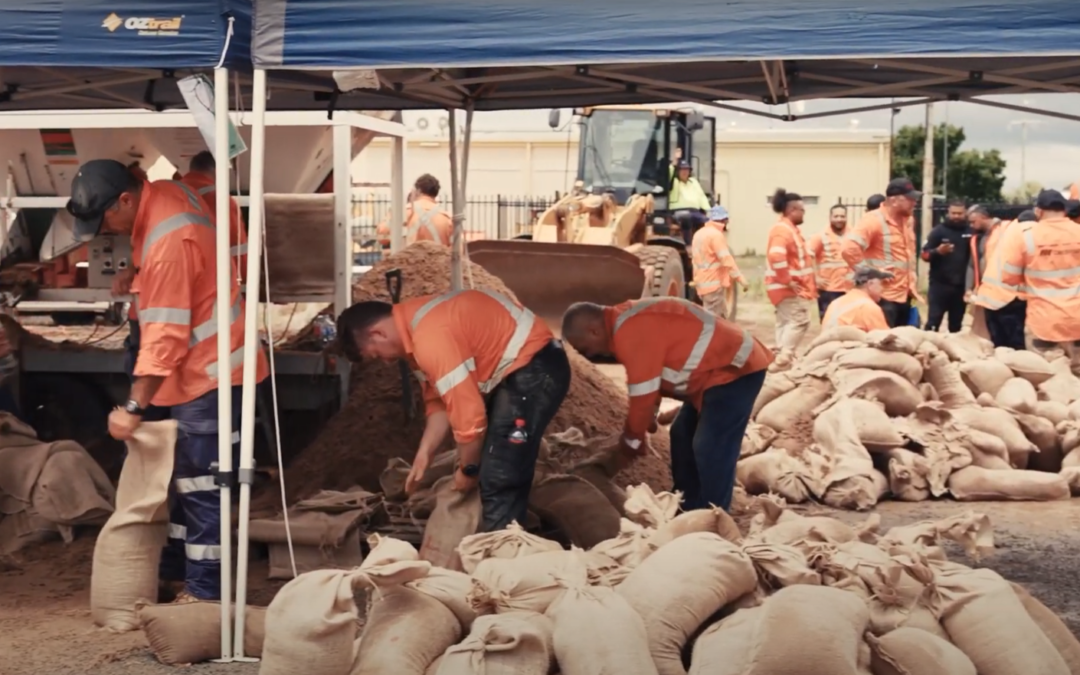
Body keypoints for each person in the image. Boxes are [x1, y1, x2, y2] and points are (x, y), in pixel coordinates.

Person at [66, 159, 268, 604]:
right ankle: (177, 573)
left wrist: (135, 408)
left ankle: (206, 594)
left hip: (209, 373)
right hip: (197, 369)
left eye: (105, 220)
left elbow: (165, 335)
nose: (105, 231)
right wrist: (136, 278)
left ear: (125, 198)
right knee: (182, 481)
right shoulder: (163, 196)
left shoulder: (168, 238)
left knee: (202, 484)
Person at [336, 289, 570, 532]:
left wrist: (468, 470)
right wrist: (424, 454)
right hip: (522, 369)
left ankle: (502, 554)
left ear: (378, 333)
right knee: (496, 460)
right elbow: (440, 403)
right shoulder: (416, 330)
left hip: (536, 369)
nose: (385, 361)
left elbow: (469, 416)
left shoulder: (430, 338)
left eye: (376, 354)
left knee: (500, 472)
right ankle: (505, 535)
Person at [560, 297, 772, 511]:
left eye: (586, 349)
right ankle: (685, 504)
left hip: (735, 368)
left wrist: (632, 440)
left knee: (709, 446)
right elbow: (653, 376)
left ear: (593, 331)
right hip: (708, 376)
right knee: (680, 433)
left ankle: (714, 515)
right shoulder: (626, 323)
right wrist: (650, 415)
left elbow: (642, 393)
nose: (590, 356)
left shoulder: (629, 332)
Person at [999, 190, 1080, 375]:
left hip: (1044, 321)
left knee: (1046, 376)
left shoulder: (1027, 236)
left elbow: (1008, 276)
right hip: (1077, 319)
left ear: (1038, 211)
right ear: (1064, 210)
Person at [842, 178, 923, 328]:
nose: (914, 202)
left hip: (905, 293)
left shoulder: (908, 220)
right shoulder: (873, 220)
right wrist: (871, 273)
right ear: (894, 200)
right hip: (884, 296)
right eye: (910, 199)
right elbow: (849, 248)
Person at [764, 188, 816, 366]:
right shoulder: (784, 230)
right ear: (792, 210)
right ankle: (784, 358)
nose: (804, 214)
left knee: (785, 323)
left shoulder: (787, 229)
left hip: (782, 287)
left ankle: (780, 356)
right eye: (802, 210)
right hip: (787, 288)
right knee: (799, 320)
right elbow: (776, 255)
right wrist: (788, 280)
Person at [181, 151, 248, 283]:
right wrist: (245, 283)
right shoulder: (220, 200)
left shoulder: (170, 194)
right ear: (217, 170)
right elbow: (236, 247)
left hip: (175, 276)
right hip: (211, 281)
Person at [967, 206, 1027, 349]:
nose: (970, 225)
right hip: (988, 293)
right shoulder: (978, 238)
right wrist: (969, 287)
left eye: (973, 221)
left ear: (983, 217)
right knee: (994, 336)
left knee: (1012, 337)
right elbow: (973, 264)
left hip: (1008, 293)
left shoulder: (1005, 230)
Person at [920, 199, 972, 333]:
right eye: (953, 213)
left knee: (956, 325)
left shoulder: (970, 231)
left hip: (960, 287)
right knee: (933, 322)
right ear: (948, 213)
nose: (956, 216)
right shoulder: (938, 231)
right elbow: (924, 255)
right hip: (939, 285)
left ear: (965, 213)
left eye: (959, 213)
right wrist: (937, 251)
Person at [691, 204, 747, 318]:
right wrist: (740, 279)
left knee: (722, 319)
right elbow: (726, 259)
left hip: (703, 285)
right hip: (714, 286)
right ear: (724, 220)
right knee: (713, 323)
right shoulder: (716, 236)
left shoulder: (698, 234)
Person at [808, 204, 854, 319]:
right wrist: (816, 278)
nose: (839, 219)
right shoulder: (820, 236)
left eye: (842, 216)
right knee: (828, 321)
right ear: (830, 217)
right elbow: (808, 256)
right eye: (836, 216)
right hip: (829, 288)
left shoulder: (853, 234)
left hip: (849, 288)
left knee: (847, 321)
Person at [821, 267, 894, 331]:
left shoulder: (835, 302)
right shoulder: (868, 307)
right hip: (848, 345)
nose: (883, 288)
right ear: (870, 284)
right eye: (881, 284)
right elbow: (885, 340)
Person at [669, 159, 711, 240]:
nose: (684, 172)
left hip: (695, 211)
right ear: (677, 171)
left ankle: (704, 243)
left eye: (686, 170)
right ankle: (688, 244)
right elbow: (668, 174)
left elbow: (701, 196)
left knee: (708, 221)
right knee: (686, 217)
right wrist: (673, 163)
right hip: (678, 211)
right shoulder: (673, 182)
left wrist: (709, 211)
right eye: (682, 170)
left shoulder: (693, 182)